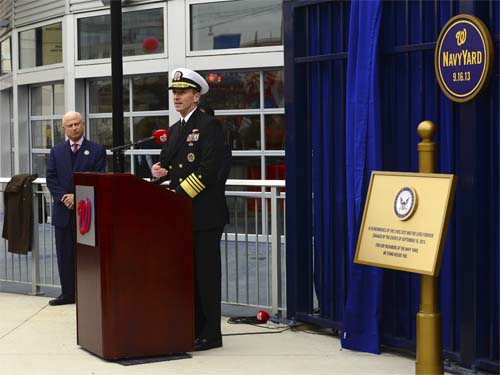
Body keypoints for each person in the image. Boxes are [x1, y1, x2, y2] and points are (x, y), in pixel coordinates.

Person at [151, 68, 228, 351]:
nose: (176, 97)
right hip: (181, 215)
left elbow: (208, 171)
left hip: (204, 215)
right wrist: (158, 172)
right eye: (174, 92)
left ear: (196, 96)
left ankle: (212, 332)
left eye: (182, 92)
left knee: (206, 276)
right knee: (188, 274)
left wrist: (178, 194)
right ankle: (193, 326)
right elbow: (168, 165)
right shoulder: (174, 130)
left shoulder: (209, 126)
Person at [46, 111, 107, 306]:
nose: (74, 128)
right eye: (70, 125)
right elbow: (51, 178)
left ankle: (89, 294)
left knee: (88, 256)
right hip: (63, 211)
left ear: (83, 125)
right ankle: (68, 294)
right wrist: (65, 198)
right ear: (64, 129)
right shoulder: (56, 151)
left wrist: (77, 197)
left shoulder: (97, 150)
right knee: (64, 255)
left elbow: (98, 177)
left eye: (77, 124)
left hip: (87, 212)